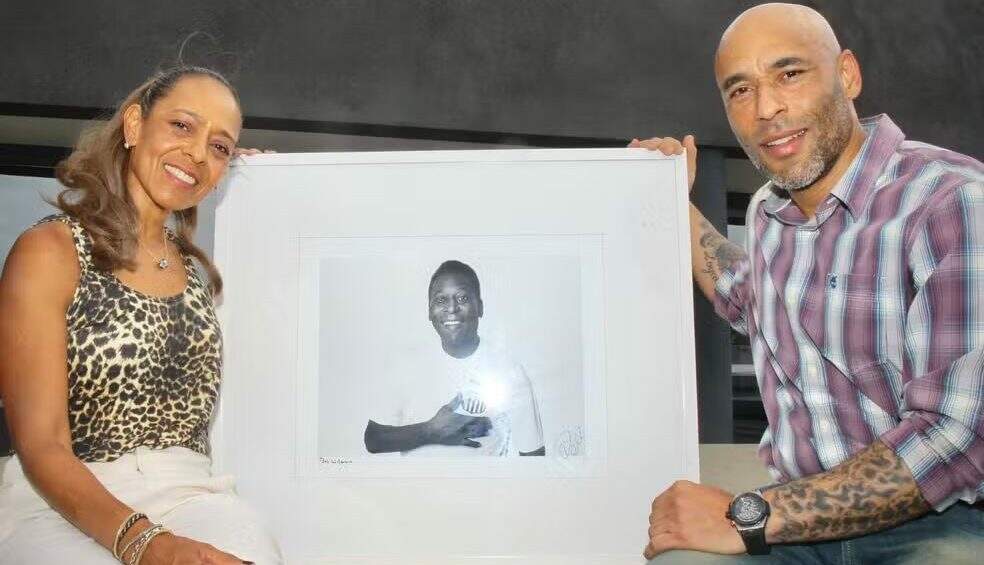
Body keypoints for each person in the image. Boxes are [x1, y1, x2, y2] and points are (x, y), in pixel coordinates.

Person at [630, 3, 984, 564]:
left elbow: (956, 437)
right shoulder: (768, 212)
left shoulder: (953, 201)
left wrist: (752, 516)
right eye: (741, 90)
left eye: (789, 74)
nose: (766, 108)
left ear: (847, 74)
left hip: (942, 522)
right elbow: (745, 296)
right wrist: (672, 199)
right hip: (800, 522)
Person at [0, 66, 282, 564]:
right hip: (60, 501)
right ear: (134, 125)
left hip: (191, 492)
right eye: (182, 126)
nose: (198, 153)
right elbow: (42, 446)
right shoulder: (50, 251)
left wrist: (280, 186)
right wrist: (145, 542)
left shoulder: (197, 271)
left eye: (219, 147)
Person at [363, 260, 545, 457]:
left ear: (480, 307)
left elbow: (533, 455)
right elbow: (373, 440)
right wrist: (432, 430)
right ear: (429, 311)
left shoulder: (508, 371)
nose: (451, 308)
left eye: (462, 298)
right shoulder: (406, 366)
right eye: (441, 300)